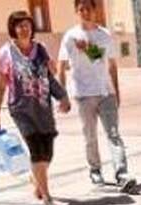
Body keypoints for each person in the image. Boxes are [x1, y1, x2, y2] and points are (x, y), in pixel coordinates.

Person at [0, 11, 70, 205]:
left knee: (47, 153)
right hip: (21, 110)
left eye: (27, 25)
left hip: (43, 109)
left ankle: (36, 179)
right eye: (19, 26)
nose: (24, 29)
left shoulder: (41, 49)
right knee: (37, 151)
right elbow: (0, 86)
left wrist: (63, 97)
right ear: (13, 29)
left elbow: (50, 78)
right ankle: (47, 197)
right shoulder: (6, 53)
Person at [57, 0, 136, 192]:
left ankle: (122, 173)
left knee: (114, 134)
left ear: (95, 10)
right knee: (90, 135)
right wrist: (62, 95)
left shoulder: (104, 35)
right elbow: (61, 66)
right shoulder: (71, 36)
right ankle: (95, 170)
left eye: (88, 9)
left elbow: (110, 64)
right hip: (83, 94)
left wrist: (116, 91)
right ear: (76, 12)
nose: (85, 12)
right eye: (81, 9)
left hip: (105, 92)